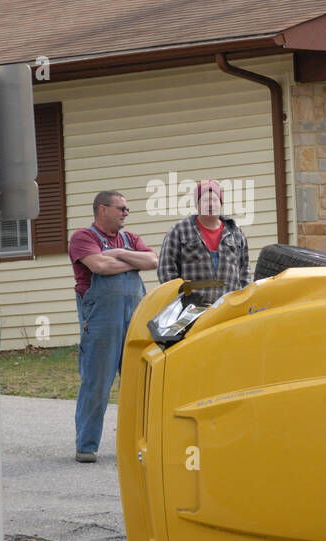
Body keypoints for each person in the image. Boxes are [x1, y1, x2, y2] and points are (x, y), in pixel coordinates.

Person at [68, 191, 157, 463]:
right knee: (97, 383)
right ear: (103, 209)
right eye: (122, 208)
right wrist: (131, 260)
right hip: (100, 320)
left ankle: (135, 443)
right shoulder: (84, 237)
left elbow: (152, 261)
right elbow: (100, 266)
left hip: (134, 318)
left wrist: (118, 253)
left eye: (127, 209)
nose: (126, 213)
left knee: (138, 384)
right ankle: (86, 445)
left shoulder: (129, 239)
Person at [157, 179, 250, 297]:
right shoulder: (179, 230)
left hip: (229, 309)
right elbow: (166, 271)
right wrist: (180, 300)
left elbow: (244, 272)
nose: (211, 204)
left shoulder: (235, 232)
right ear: (197, 204)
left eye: (215, 200)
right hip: (192, 310)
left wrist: (242, 298)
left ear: (221, 203)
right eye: (205, 200)